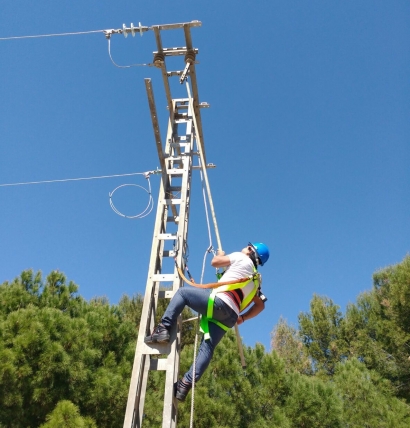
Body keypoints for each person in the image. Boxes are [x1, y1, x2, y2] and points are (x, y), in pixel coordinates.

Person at [144, 242, 270, 401]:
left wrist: (220, 255)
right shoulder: (255, 280)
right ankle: (185, 384)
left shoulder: (241, 258)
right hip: (230, 316)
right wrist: (243, 317)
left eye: (247, 246)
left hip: (221, 303)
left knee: (183, 294)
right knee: (208, 347)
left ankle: (163, 328)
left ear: (251, 250)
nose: (244, 247)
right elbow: (260, 305)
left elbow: (214, 262)